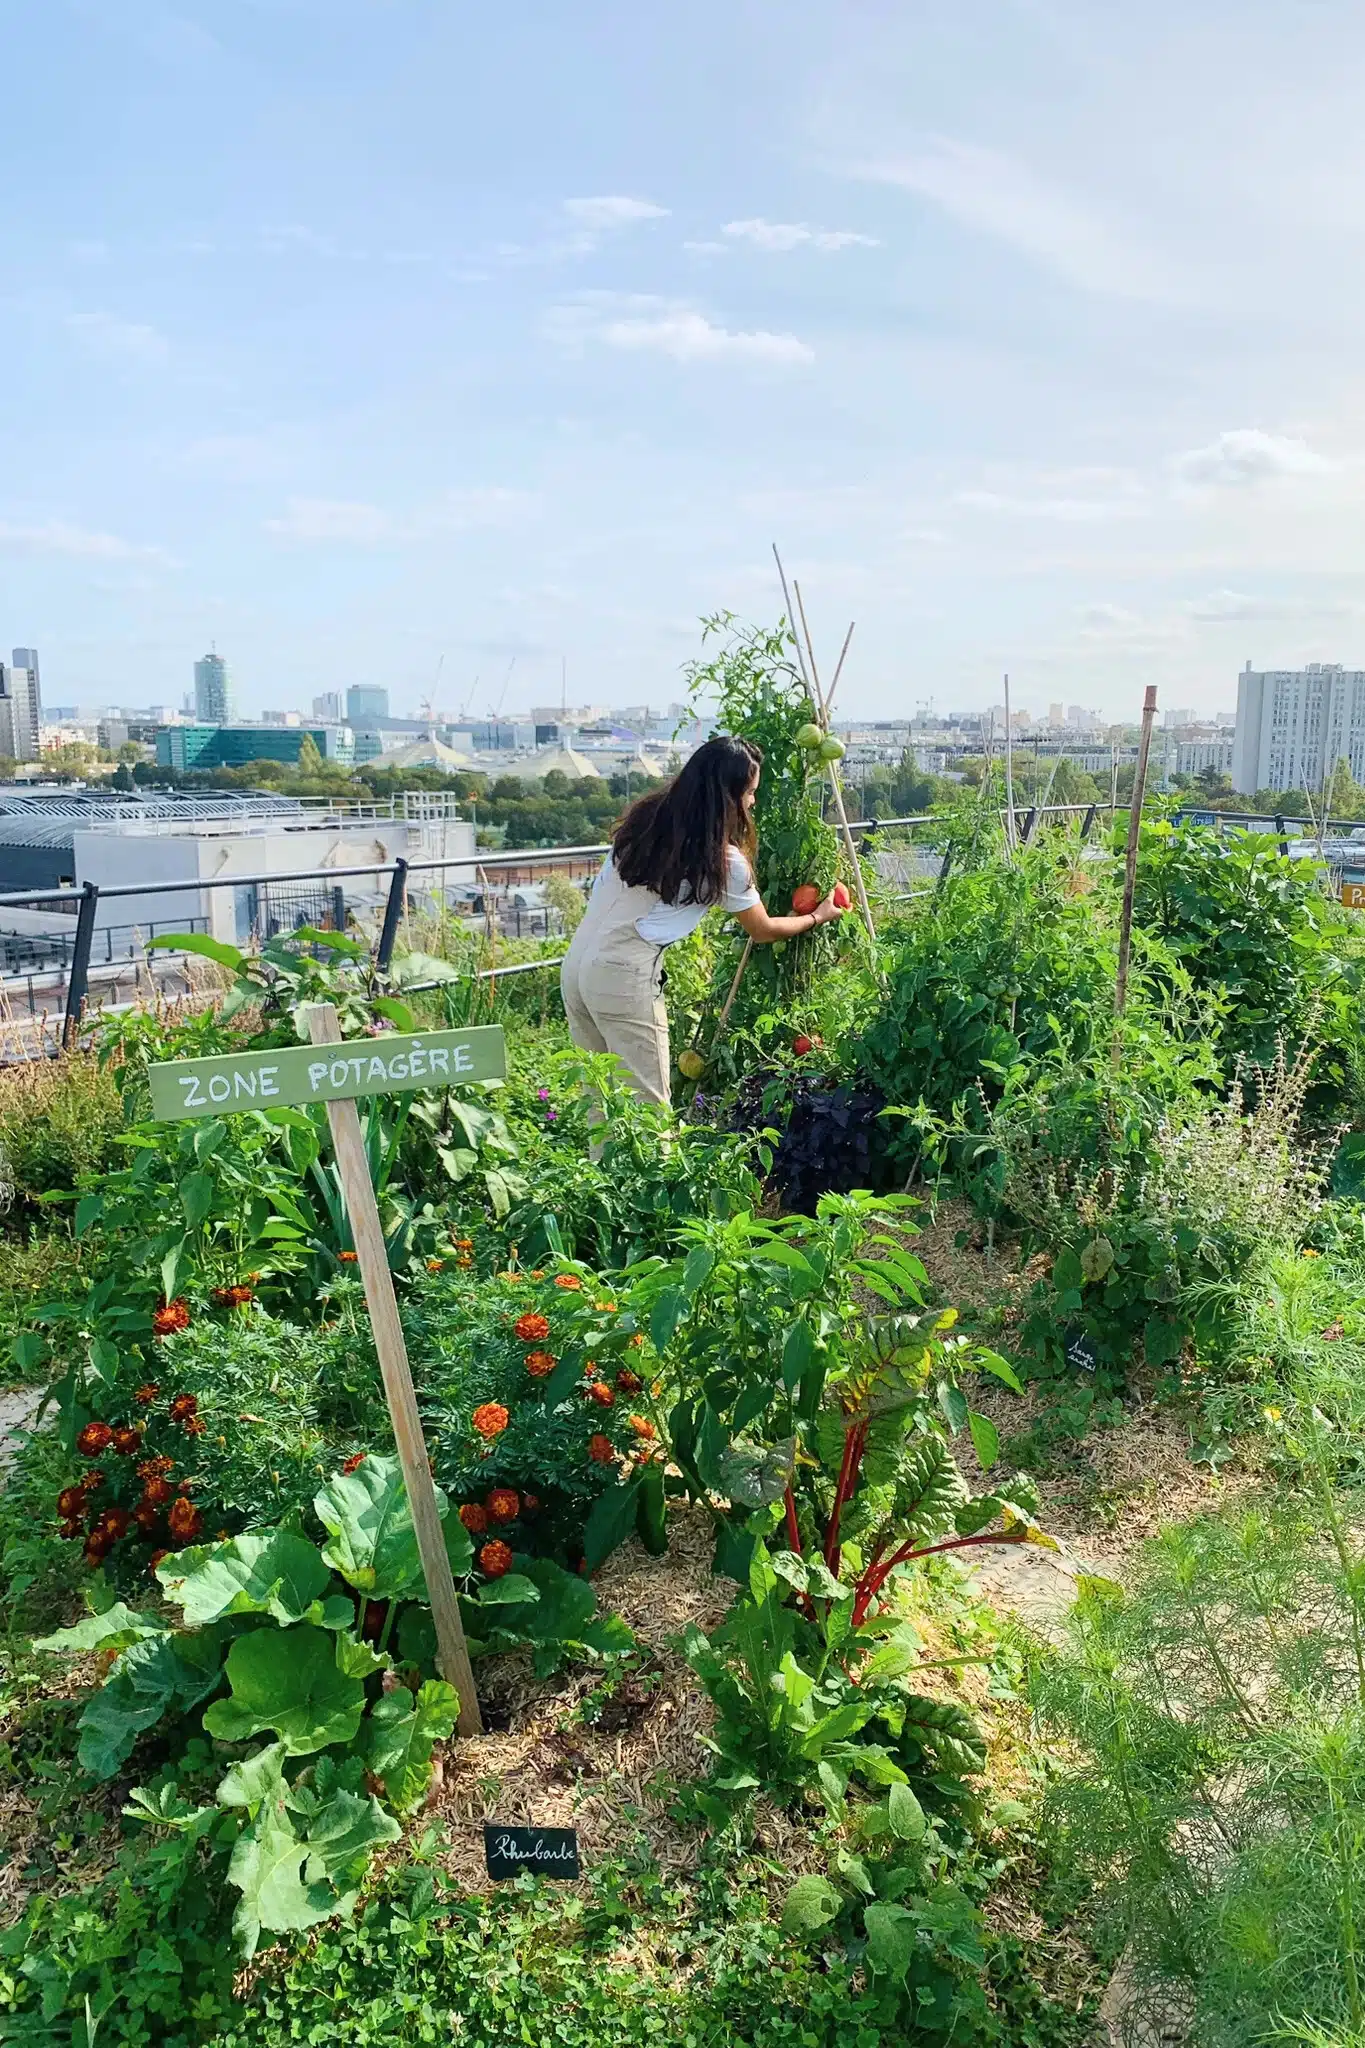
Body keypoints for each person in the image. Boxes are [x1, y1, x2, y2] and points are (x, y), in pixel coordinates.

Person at [559, 734, 846, 1107]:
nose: (753, 802)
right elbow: (762, 930)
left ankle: (602, 1168)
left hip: (577, 964)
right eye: (749, 793)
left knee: (601, 1104)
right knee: (647, 1111)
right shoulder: (721, 860)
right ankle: (653, 1169)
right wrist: (818, 916)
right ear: (728, 797)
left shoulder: (645, 822)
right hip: (621, 972)